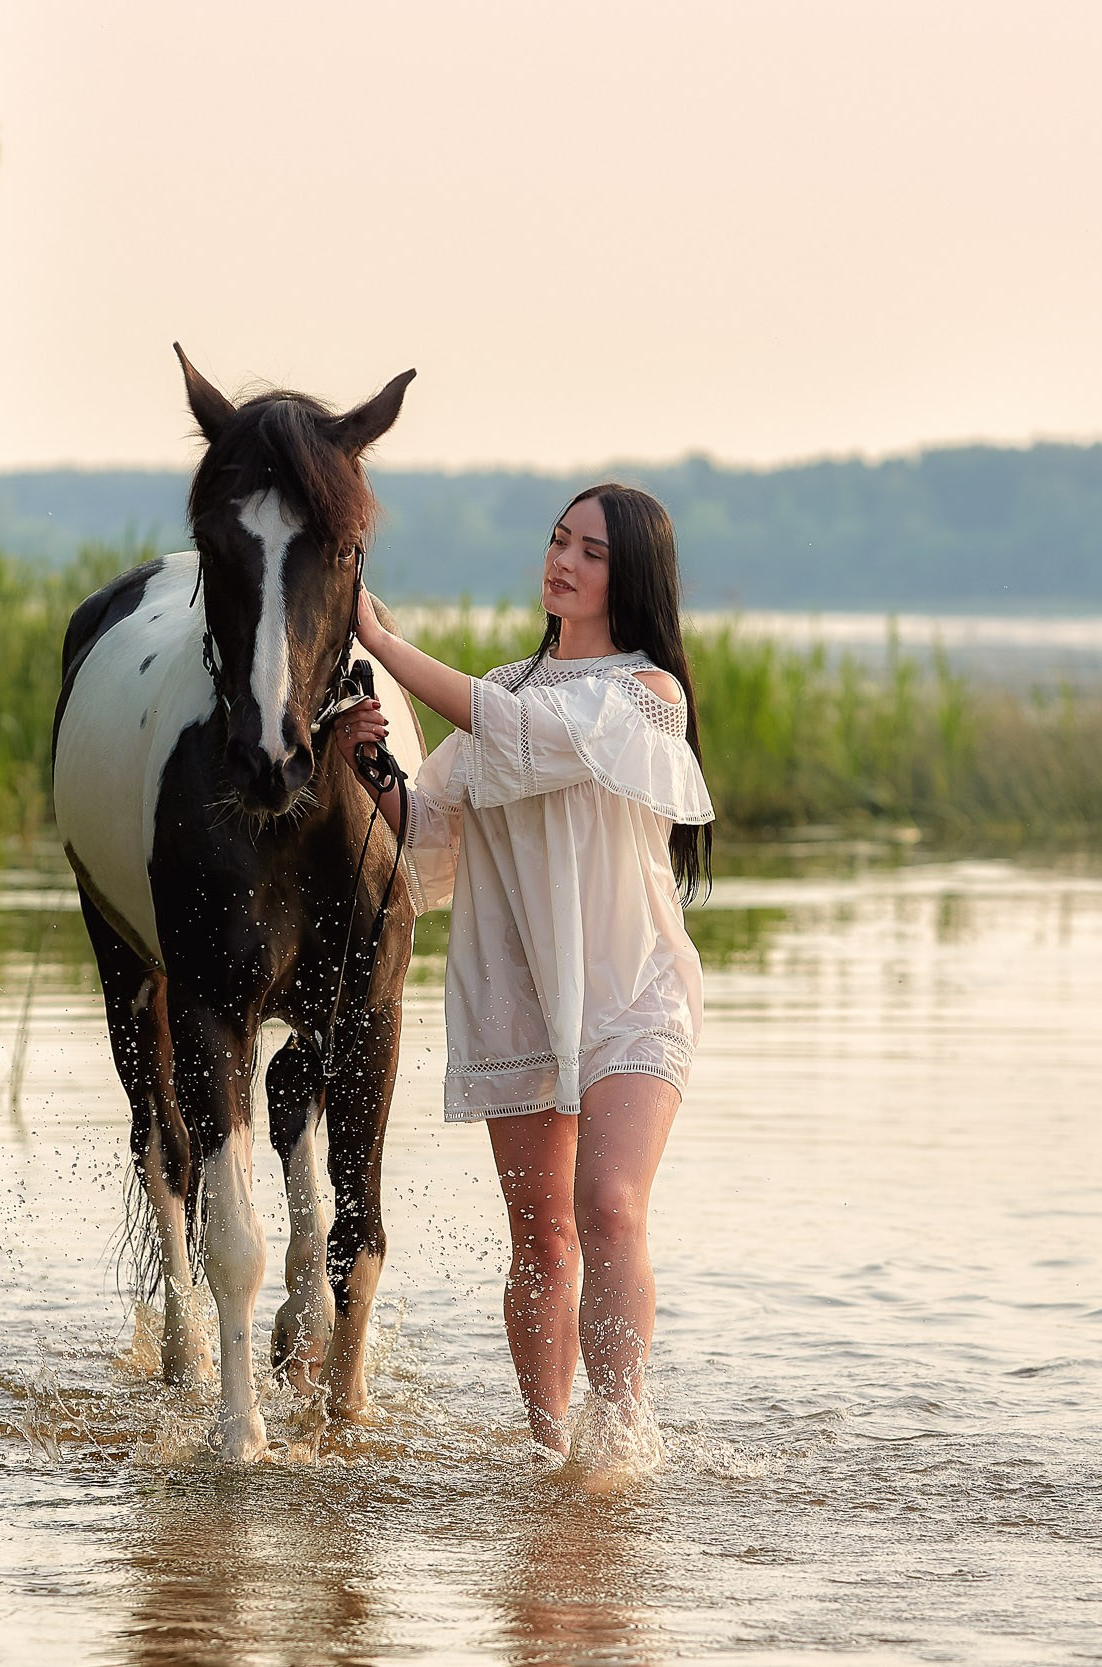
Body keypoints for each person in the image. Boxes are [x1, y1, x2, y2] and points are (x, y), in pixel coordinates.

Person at [334, 483, 714, 1457]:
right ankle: (552, 1454)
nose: (564, 560)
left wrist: (383, 641)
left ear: (628, 572)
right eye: (557, 540)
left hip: (630, 988)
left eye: (589, 549)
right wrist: (371, 771)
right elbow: (429, 836)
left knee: (609, 1204)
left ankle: (619, 1443)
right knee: (542, 1239)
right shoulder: (511, 687)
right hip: (519, 999)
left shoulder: (646, 693)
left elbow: (528, 740)